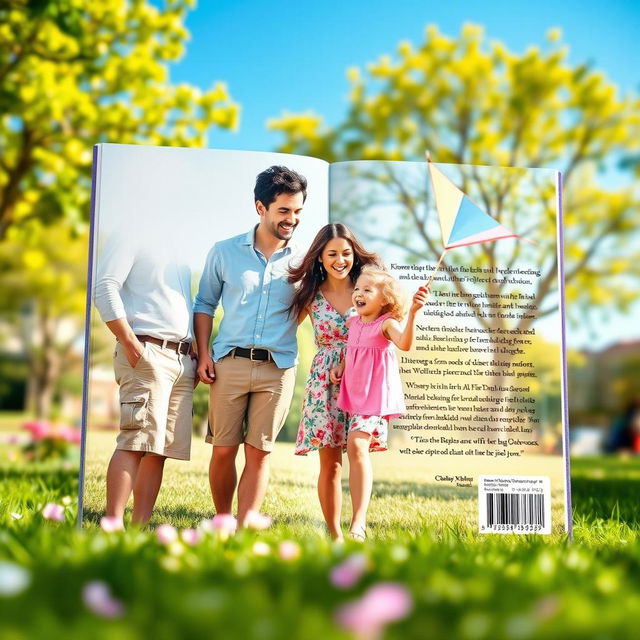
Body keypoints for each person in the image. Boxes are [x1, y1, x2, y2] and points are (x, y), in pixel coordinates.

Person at [193, 165, 307, 527]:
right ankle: (223, 522)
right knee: (224, 450)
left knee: (260, 452)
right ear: (261, 207)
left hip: (279, 369)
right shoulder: (224, 252)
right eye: (284, 210)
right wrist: (204, 353)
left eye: (298, 211)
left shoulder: (304, 261)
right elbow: (204, 304)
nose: (292, 219)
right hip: (229, 363)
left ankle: (244, 527)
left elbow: (310, 305)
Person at [94, 233, 196, 528]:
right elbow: (104, 286)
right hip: (146, 351)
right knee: (135, 441)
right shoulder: (132, 230)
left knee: (158, 449)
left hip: (179, 358)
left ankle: (139, 530)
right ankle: (112, 526)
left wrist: (192, 353)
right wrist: (129, 342)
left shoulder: (179, 244)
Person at [288, 223, 381, 541]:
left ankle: (358, 524)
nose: (340, 260)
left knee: (358, 449)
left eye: (346, 253)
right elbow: (281, 329)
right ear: (320, 258)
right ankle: (335, 534)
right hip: (325, 380)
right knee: (330, 463)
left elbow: (391, 320)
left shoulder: (368, 287)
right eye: (332, 254)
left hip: (364, 376)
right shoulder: (310, 296)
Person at [330, 266, 429, 540]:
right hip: (353, 393)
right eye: (358, 289)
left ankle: (358, 522)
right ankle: (355, 520)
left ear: (385, 299)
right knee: (353, 450)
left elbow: (405, 343)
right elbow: (353, 350)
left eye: (367, 290)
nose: (359, 294)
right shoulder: (353, 321)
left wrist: (413, 315)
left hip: (374, 397)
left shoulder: (387, 323)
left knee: (357, 447)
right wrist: (341, 365)